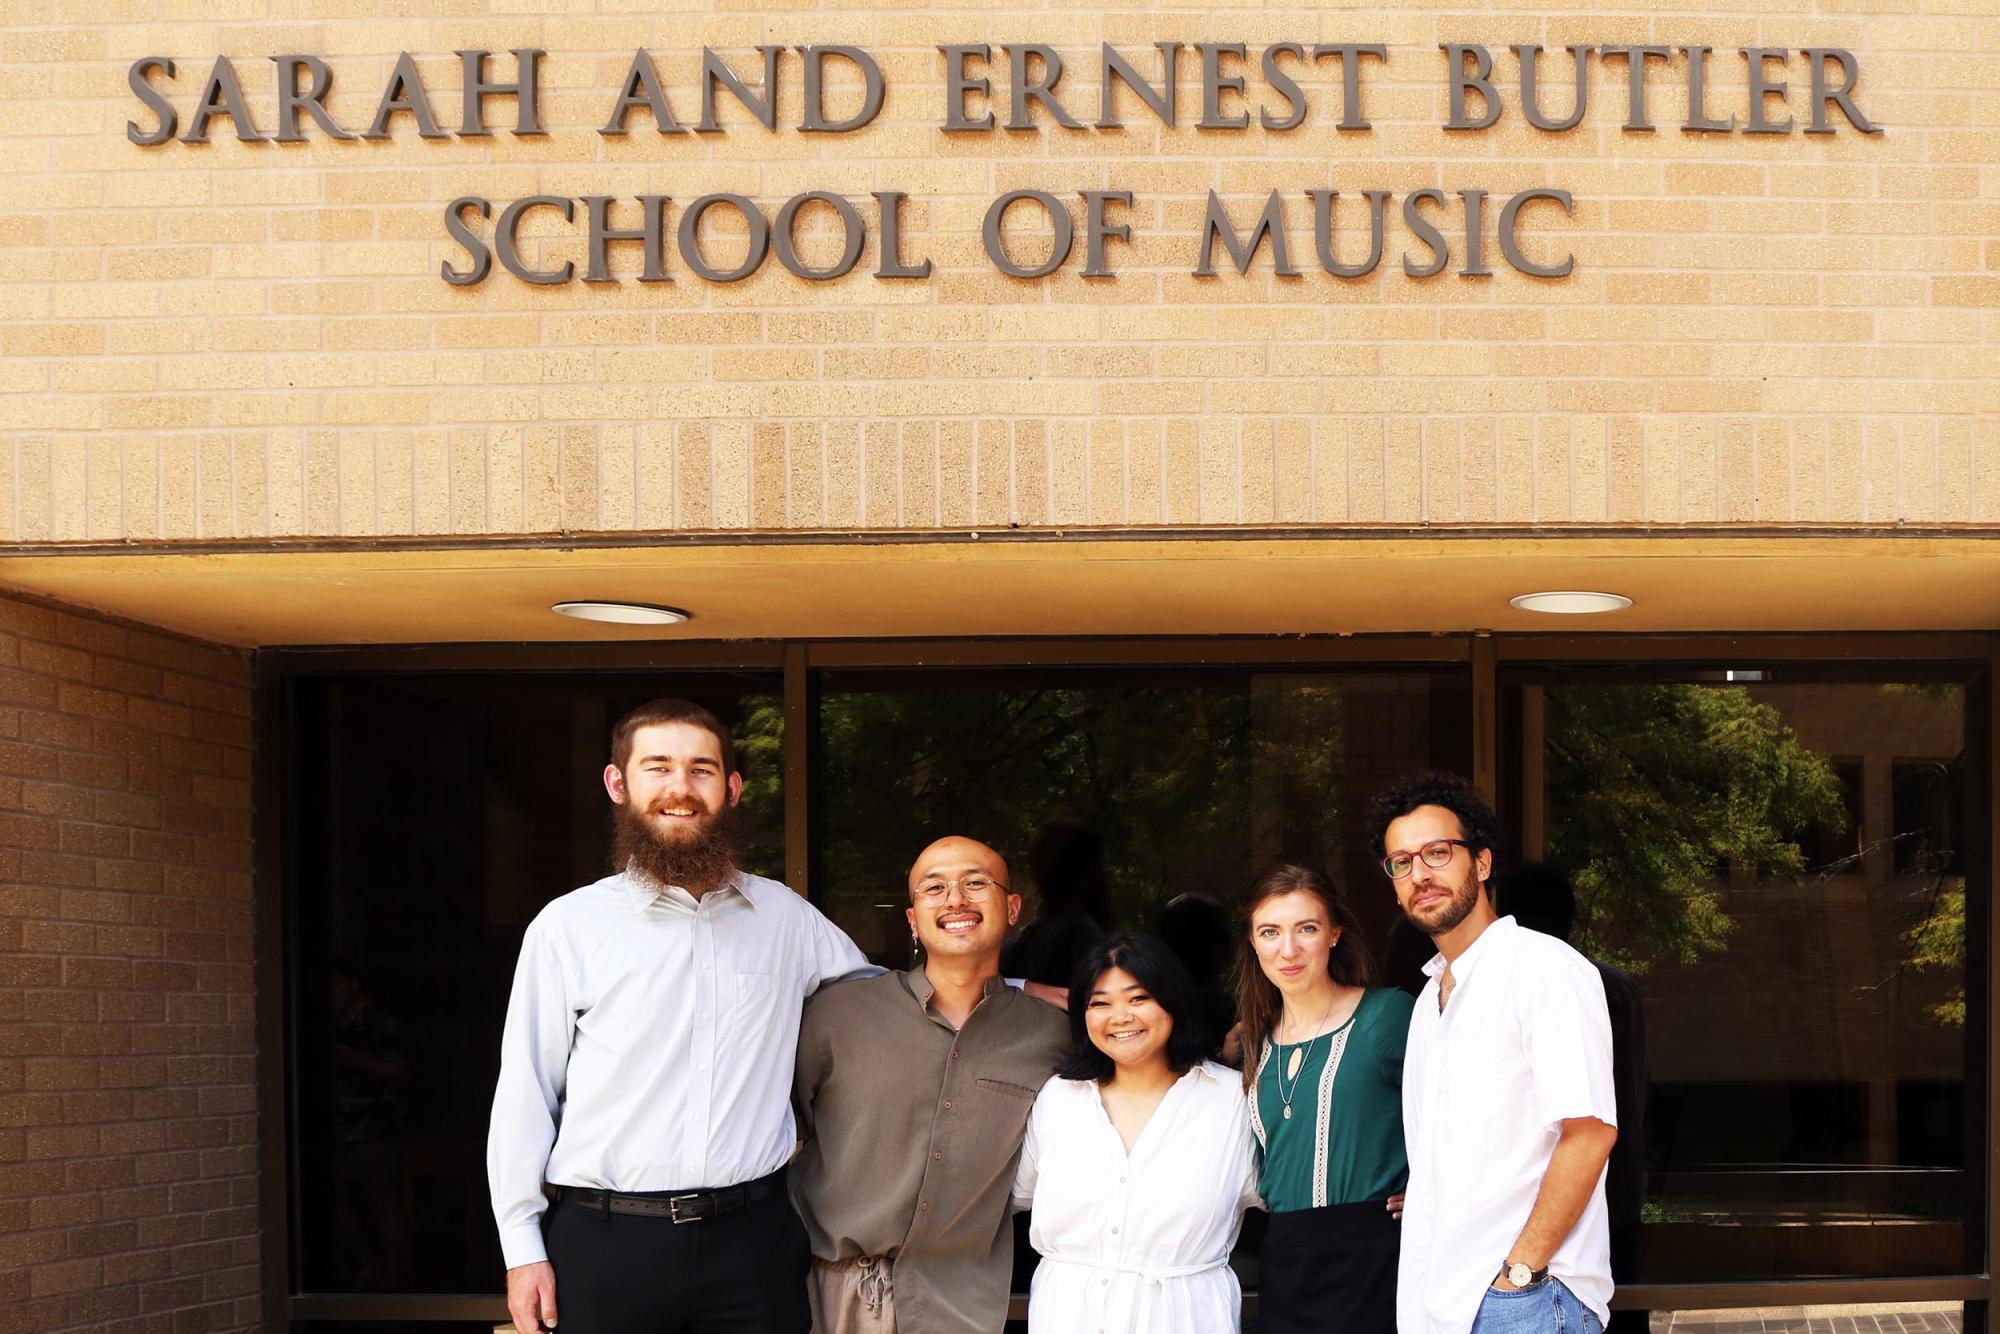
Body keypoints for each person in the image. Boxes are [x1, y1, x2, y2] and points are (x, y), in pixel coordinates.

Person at [487, 698, 873, 1334]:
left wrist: (1013, 990)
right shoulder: (568, 927)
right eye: (658, 767)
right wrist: (522, 1246)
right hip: (606, 1244)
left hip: (753, 1243)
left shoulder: (786, 919)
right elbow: (525, 1091)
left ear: (731, 787)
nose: (680, 789)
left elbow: (891, 1004)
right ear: (619, 783)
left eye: (701, 770)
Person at [1368, 772, 1618, 1334]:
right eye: (1401, 863)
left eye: (1437, 852)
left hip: (1522, 1303)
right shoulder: (1433, 997)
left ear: (1481, 863)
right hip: (1442, 1303)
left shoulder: (1542, 970)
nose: (1420, 874)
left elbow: (1591, 1131)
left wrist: (1521, 1273)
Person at [789, 835, 1069, 1334]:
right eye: (933, 887)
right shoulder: (839, 1015)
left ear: (1012, 908)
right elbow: (777, 1136)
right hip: (832, 1297)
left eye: (975, 883)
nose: (955, 899)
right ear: (913, 919)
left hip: (963, 1304)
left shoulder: (1051, 1034)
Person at [1011, 932, 1260, 1334]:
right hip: (1067, 1317)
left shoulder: (1232, 1100)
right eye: (1101, 1003)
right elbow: (1013, 1198)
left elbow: (1291, 1199)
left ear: (1172, 1002)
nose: (1120, 1016)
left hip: (1184, 1318)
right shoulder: (1058, 1098)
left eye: (1138, 998)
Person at [1237, 860, 1414, 1334]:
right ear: (1253, 942)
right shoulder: (1253, 1042)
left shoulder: (1387, 1016)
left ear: (1334, 933)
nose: (1288, 949)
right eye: (1270, 932)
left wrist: (1431, 1190)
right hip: (1284, 1260)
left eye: (1307, 928)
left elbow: (1465, 1113)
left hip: (1372, 1254)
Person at [1498, 864, 1650, 1334]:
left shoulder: (1560, 984)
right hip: (1621, 1183)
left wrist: (1515, 1274)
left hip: (1561, 1198)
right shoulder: (1618, 985)